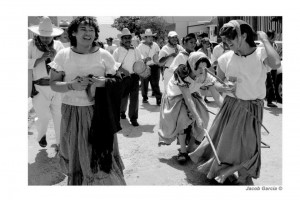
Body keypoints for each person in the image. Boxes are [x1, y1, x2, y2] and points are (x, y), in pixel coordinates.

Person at [188, 20, 281, 185]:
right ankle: (224, 171)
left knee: (249, 146)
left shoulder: (261, 54)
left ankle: (244, 176)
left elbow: (276, 63)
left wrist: (265, 40)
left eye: (230, 39)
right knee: (227, 144)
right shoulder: (225, 58)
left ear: (243, 35)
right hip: (231, 106)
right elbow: (215, 82)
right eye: (225, 40)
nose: (227, 43)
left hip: (253, 108)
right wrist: (222, 88)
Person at [49, 16, 126, 185]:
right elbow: (53, 83)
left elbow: (120, 81)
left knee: (99, 154)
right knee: (77, 152)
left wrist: (103, 82)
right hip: (72, 111)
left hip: (99, 112)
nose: (88, 33)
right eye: (83, 29)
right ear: (74, 33)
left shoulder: (104, 55)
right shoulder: (63, 55)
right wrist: (71, 85)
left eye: (91, 30)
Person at [158, 52, 223, 164]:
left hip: (192, 93)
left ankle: (193, 146)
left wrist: (226, 109)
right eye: (199, 68)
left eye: (204, 67)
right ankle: (183, 151)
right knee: (183, 119)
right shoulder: (182, 73)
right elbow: (187, 98)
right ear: (192, 65)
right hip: (175, 96)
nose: (202, 71)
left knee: (204, 116)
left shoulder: (205, 74)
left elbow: (216, 95)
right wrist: (196, 117)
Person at [28, 16, 64, 148]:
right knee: (43, 117)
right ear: (37, 34)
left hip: (56, 86)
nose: (45, 39)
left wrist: (55, 58)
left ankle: (60, 144)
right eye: (42, 36)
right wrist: (40, 59)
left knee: (59, 117)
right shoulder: (30, 44)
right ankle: (41, 134)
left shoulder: (58, 45)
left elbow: (63, 64)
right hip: (39, 87)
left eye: (48, 37)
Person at [113, 28, 143, 126]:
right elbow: (113, 64)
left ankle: (133, 118)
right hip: (122, 77)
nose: (127, 40)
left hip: (134, 76)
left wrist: (144, 63)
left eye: (129, 38)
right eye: (125, 38)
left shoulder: (135, 50)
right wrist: (123, 70)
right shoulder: (117, 50)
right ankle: (122, 112)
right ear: (121, 39)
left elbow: (140, 61)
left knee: (134, 98)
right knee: (123, 97)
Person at [137, 29, 162, 105]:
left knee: (155, 83)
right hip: (145, 66)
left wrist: (157, 56)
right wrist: (144, 59)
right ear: (145, 37)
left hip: (155, 66)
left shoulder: (155, 45)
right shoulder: (140, 46)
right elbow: (138, 55)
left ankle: (158, 98)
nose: (151, 38)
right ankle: (144, 97)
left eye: (152, 36)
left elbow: (158, 53)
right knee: (144, 83)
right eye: (149, 37)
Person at [265, 30, 278, 108]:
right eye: (274, 36)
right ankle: (269, 101)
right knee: (269, 84)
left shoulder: (274, 45)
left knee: (273, 83)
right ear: (270, 37)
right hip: (267, 68)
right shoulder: (265, 46)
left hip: (274, 67)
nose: (275, 37)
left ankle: (268, 99)